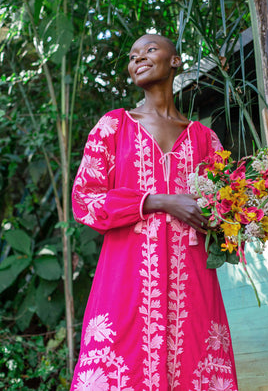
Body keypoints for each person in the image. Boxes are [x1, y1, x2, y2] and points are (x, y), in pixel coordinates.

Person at [70, 34, 238, 390]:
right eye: (132, 56)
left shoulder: (205, 139)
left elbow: (227, 210)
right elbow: (86, 201)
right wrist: (159, 200)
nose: (138, 59)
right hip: (124, 282)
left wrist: (220, 219)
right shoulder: (113, 127)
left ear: (175, 61)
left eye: (149, 50)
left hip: (192, 285)